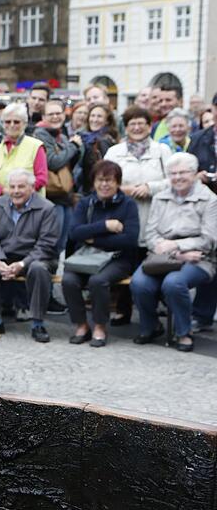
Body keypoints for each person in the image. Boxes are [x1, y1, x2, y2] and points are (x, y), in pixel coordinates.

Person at [130, 152, 217, 352]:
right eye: (173, 173)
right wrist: (174, 252)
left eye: (183, 173)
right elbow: (151, 234)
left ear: (194, 173)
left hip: (199, 258)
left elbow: (209, 239)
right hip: (162, 256)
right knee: (139, 283)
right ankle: (151, 326)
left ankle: (184, 332)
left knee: (174, 283)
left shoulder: (209, 199)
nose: (177, 177)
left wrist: (177, 246)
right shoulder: (160, 197)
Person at [0, 169, 61, 343]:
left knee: (38, 269)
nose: (16, 191)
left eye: (21, 186)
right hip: (5, 256)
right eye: (12, 186)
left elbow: (46, 244)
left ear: (32, 188)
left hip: (37, 257)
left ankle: (37, 323)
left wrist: (22, 264)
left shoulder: (47, 208)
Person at [61, 160, 139, 348]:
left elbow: (129, 239)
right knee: (68, 280)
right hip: (87, 257)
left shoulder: (128, 205)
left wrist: (94, 238)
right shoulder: (85, 203)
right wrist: (106, 226)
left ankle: (100, 326)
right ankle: (81, 325)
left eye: (109, 180)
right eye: (100, 180)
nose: (104, 184)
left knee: (98, 281)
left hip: (119, 258)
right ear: (93, 182)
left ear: (118, 182)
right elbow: (74, 233)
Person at [104, 105, 171, 249]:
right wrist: (122, 190)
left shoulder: (162, 151)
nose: (136, 128)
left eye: (141, 123)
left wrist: (150, 188)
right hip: (123, 215)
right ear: (126, 128)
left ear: (149, 126)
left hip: (156, 215)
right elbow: (103, 183)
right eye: (132, 124)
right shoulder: (113, 152)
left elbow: (175, 182)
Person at [34, 97, 79, 255]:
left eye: (58, 113)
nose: (55, 117)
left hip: (65, 195)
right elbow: (53, 162)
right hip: (52, 196)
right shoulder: (41, 134)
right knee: (52, 244)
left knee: (62, 244)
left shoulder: (62, 136)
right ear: (43, 117)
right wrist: (74, 146)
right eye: (50, 114)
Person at [0, 102, 47, 196]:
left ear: (25, 124)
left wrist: (18, 192)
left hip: (30, 206)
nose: (12, 125)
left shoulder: (36, 146)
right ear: (3, 124)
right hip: (1, 206)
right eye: (8, 122)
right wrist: (3, 191)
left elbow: (42, 178)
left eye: (16, 122)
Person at [72, 102, 118, 194]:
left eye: (99, 116)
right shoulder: (84, 137)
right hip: (85, 187)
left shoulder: (104, 140)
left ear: (107, 121)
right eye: (92, 116)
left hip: (96, 190)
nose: (95, 120)